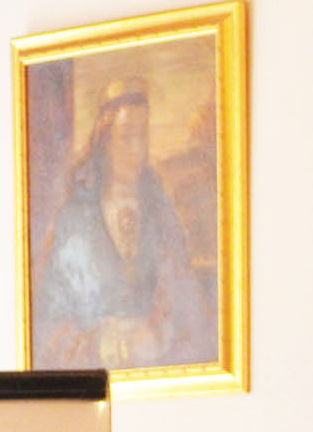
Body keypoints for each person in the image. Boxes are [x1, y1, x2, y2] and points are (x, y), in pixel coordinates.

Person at [33, 70, 216, 371]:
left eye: (143, 135)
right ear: (104, 140)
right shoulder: (75, 220)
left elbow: (187, 303)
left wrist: (159, 336)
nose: (138, 149)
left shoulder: (160, 214)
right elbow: (48, 324)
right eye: (126, 137)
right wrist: (103, 344)